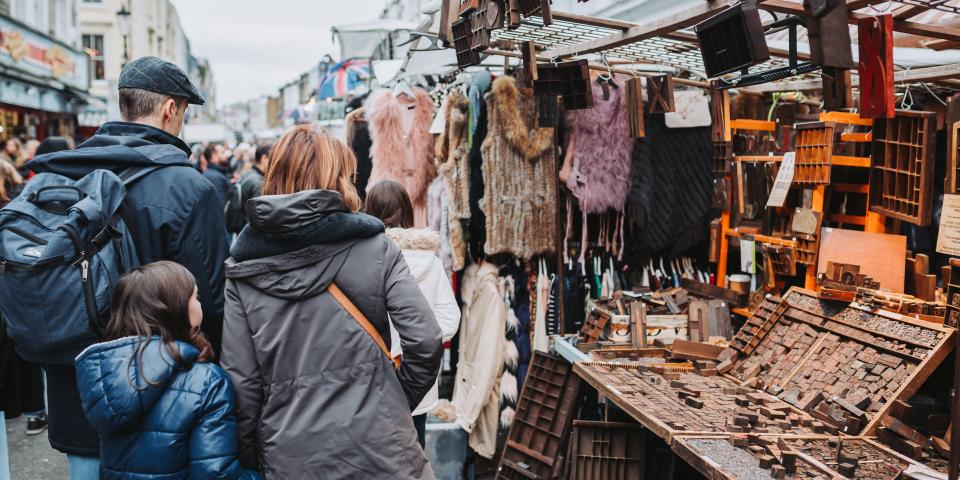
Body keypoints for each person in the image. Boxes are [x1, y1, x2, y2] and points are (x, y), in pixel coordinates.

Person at [25, 56, 229, 479]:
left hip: (77, 393)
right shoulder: (189, 187)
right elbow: (210, 303)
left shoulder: (58, 176)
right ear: (170, 109)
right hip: (163, 402)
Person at [221, 125, 443, 479]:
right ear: (338, 178)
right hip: (381, 447)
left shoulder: (243, 271)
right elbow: (426, 339)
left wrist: (255, 453)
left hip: (292, 454)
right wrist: (397, 398)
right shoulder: (376, 247)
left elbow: (242, 384)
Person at [75, 261, 261, 480]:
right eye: (196, 297)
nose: (200, 305)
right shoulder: (206, 380)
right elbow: (214, 473)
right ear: (178, 307)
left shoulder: (107, 375)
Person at [364, 180, 460, 448]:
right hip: (419, 382)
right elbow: (450, 319)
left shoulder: (364, 259)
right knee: (414, 456)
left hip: (375, 380)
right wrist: (418, 343)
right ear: (408, 211)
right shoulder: (429, 260)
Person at [202, 142, 231, 207]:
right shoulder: (214, 177)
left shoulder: (215, 174)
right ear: (213, 156)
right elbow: (220, 207)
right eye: (222, 152)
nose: (226, 156)